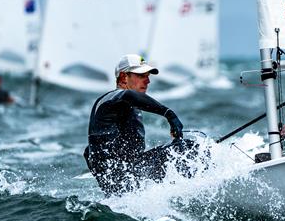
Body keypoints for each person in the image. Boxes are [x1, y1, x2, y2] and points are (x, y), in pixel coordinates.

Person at [84, 54, 202, 195]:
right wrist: (168, 114)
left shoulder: (126, 106)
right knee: (187, 148)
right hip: (126, 178)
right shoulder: (112, 99)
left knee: (183, 147)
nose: (147, 81)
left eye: (148, 76)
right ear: (123, 77)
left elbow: (88, 152)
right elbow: (127, 95)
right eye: (141, 76)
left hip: (131, 176)